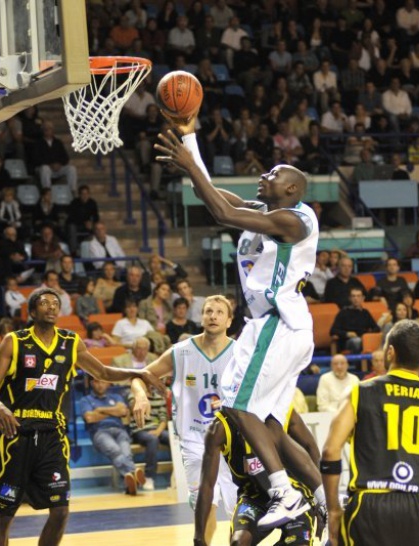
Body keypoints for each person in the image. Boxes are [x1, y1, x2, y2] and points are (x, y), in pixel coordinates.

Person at [155, 114, 325, 528]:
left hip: (276, 323)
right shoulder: (268, 209)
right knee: (271, 424)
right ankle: (324, 499)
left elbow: (222, 213)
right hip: (284, 326)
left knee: (237, 404)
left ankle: (284, 493)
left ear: (291, 189)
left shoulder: (292, 220)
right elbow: (213, 196)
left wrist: (190, 164)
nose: (263, 176)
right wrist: (190, 140)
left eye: (273, 173)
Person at [0, 287, 157, 546]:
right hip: (16, 436)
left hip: (52, 436)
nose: (51, 306)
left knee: (61, 511)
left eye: (56, 302)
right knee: (5, 515)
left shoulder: (71, 342)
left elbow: (104, 373)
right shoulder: (14, 341)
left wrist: (138, 372)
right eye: (44, 302)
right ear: (31, 311)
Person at [322, 320, 419, 546]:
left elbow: (330, 451)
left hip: (369, 508)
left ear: (390, 352)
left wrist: (334, 511)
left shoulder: (359, 393)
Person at [131, 295, 238, 545]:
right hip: (194, 439)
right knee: (204, 502)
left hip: (233, 440)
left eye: (219, 312)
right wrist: (140, 396)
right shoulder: (181, 352)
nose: (213, 316)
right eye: (208, 311)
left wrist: (231, 402)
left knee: (237, 508)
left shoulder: (240, 353)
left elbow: (257, 392)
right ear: (200, 317)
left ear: (229, 320)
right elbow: (140, 375)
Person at [194, 408, 322, 546]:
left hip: (293, 494)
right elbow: (207, 485)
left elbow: (311, 447)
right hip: (254, 496)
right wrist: (199, 536)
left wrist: (319, 501)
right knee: (239, 541)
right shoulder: (220, 428)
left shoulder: (280, 410)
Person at [81, 378, 145, 495]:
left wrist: (100, 410)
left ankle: (130, 485)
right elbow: (90, 418)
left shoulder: (116, 397)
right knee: (115, 451)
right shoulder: (86, 400)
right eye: (97, 381)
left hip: (119, 430)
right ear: (91, 383)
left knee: (126, 454)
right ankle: (133, 472)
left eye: (103, 381)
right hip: (100, 432)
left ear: (108, 383)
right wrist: (113, 411)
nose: (100, 384)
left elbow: (123, 411)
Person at [126, 384, 169, 491]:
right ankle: (149, 477)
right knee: (152, 440)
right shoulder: (133, 395)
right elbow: (133, 409)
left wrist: (158, 431)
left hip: (157, 430)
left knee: (174, 438)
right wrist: (140, 394)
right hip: (139, 430)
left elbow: (163, 419)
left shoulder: (159, 397)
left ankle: (181, 474)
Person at [329, 286, 380, 355]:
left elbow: (376, 328)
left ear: (363, 298)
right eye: (353, 296)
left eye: (358, 296)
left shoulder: (365, 312)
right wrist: (347, 334)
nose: (356, 299)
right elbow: (333, 330)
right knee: (357, 341)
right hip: (348, 341)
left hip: (364, 339)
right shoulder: (343, 312)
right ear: (350, 298)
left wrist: (366, 335)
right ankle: (359, 364)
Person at [32, 121, 78, 195]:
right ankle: (47, 192)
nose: (48, 131)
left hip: (58, 168)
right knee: (45, 168)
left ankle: (72, 191)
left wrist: (59, 164)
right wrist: (50, 164)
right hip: (44, 168)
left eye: (49, 129)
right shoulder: (38, 143)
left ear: (52, 130)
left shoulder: (58, 142)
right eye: (46, 129)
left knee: (71, 169)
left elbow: (65, 157)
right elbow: (36, 158)